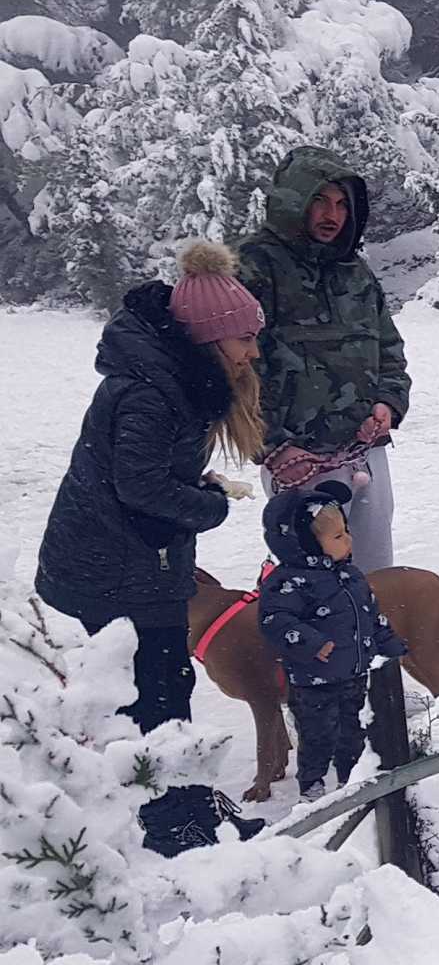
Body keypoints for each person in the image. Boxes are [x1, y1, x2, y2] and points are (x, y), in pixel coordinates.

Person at [34, 242, 271, 850]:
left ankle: (181, 800)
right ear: (210, 340)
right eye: (244, 339)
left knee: (163, 683)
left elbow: (143, 472)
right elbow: (137, 484)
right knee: (154, 688)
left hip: (133, 559)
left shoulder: (172, 379)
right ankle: (172, 822)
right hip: (111, 568)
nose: (252, 351)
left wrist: (194, 485)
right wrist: (209, 506)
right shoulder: (151, 391)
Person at [236, 146, 410, 571]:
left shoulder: (356, 273)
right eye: (320, 201)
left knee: (375, 575)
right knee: (316, 581)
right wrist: (274, 448)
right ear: (294, 201)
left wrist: (387, 403)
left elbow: (389, 349)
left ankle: (372, 639)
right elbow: (234, 371)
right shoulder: (253, 268)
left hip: (365, 449)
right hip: (299, 459)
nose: (332, 215)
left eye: (340, 205)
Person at [256, 483, 408, 798]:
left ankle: (349, 782)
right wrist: (312, 644)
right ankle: (312, 787)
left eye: (347, 531)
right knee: (317, 736)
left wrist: (389, 643)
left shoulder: (351, 576)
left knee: (353, 732)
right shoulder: (288, 583)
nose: (349, 540)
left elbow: (370, 614)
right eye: (338, 536)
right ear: (306, 544)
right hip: (315, 681)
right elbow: (275, 621)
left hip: (354, 674)